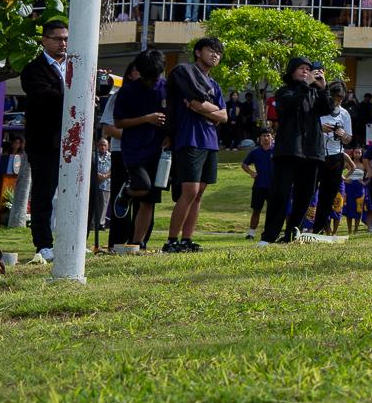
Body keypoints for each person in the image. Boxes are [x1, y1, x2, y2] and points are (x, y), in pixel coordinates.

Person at [161, 37, 228, 253]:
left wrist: (203, 109)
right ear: (198, 52)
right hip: (189, 138)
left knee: (199, 193)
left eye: (218, 52)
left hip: (210, 142)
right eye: (211, 50)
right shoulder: (186, 73)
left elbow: (224, 116)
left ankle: (187, 240)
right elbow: (193, 102)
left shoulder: (215, 85)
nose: (215, 55)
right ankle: (171, 241)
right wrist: (210, 110)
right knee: (189, 191)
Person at [263, 57, 332, 244]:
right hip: (289, 150)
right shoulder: (284, 92)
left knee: (305, 195)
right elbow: (290, 106)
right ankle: (269, 236)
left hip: (312, 151)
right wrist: (307, 86)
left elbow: (328, 109)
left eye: (308, 69)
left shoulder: (314, 93)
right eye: (301, 68)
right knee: (280, 194)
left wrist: (323, 87)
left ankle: (293, 234)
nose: (305, 72)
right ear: (292, 72)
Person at [16, 19, 69, 262]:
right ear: (45, 40)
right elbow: (45, 97)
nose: (63, 43)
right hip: (45, 142)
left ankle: (73, 239)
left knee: (76, 193)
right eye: (57, 38)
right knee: (43, 194)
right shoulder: (33, 69)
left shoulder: (74, 65)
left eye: (65, 38)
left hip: (73, 141)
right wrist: (72, 96)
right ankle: (43, 244)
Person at [107, 49, 168, 248]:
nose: (151, 81)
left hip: (158, 150)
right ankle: (127, 193)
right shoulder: (127, 91)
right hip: (134, 149)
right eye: (148, 77)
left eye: (155, 76)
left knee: (149, 201)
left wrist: (169, 136)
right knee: (143, 185)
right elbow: (119, 122)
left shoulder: (167, 88)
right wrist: (146, 119)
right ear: (140, 72)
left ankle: (137, 242)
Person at [312, 84, 352, 232]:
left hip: (336, 157)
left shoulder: (345, 114)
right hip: (317, 155)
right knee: (310, 192)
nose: (338, 102)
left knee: (328, 196)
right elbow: (306, 130)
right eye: (335, 98)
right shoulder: (318, 111)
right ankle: (302, 226)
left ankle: (319, 228)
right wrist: (320, 128)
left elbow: (349, 139)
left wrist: (343, 135)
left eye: (341, 99)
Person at [241, 129, 275, 239]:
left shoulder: (277, 151)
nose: (266, 138)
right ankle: (251, 233)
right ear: (260, 138)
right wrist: (251, 172)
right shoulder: (255, 152)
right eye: (264, 136)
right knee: (256, 210)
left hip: (273, 186)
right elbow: (244, 164)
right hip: (259, 186)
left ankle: (271, 232)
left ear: (272, 137)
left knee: (273, 210)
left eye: (268, 136)